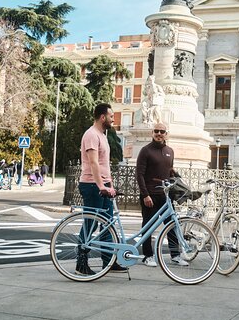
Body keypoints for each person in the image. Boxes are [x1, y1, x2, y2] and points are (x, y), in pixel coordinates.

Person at [76, 103, 126, 274]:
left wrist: (109, 184)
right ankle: (81, 265)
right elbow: (93, 162)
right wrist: (100, 186)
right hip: (91, 185)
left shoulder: (102, 135)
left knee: (108, 225)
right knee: (91, 223)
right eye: (111, 116)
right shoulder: (91, 135)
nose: (113, 119)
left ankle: (109, 261)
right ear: (103, 117)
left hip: (103, 186)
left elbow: (105, 165)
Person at [136, 123, 187, 267]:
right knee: (148, 226)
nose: (159, 133)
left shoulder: (170, 151)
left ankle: (175, 255)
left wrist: (177, 178)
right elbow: (139, 175)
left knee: (171, 225)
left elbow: (169, 170)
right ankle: (147, 256)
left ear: (166, 134)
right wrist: (145, 195)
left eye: (162, 131)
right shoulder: (145, 151)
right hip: (150, 195)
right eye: (156, 131)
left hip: (166, 196)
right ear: (152, 133)